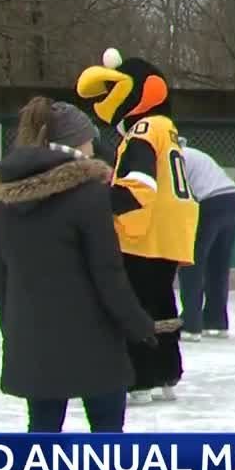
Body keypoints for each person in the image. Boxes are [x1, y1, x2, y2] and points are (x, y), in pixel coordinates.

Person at [0, 96, 157, 470]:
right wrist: (138, 323)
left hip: (32, 335)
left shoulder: (4, 197)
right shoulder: (88, 194)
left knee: (43, 428)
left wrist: (13, 331)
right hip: (91, 335)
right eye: (88, 139)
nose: (92, 146)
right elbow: (107, 272)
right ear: (74, 143)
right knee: (106, 430)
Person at [76, 48, 200, 405]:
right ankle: (166, 372)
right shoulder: (167, 129)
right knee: (161, 300)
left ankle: (141, 377)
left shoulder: (143, 130)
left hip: (143, 232)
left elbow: (139, 186)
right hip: (171, 231)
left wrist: (101, 203)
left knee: (137, 304)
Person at [177, 138, 235, 341]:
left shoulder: (173, 158)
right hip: (232, 200)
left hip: (209, 204)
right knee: (218, 265)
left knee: (191, 263)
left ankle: (191, 324)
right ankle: (216, 321)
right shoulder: (196, 154)